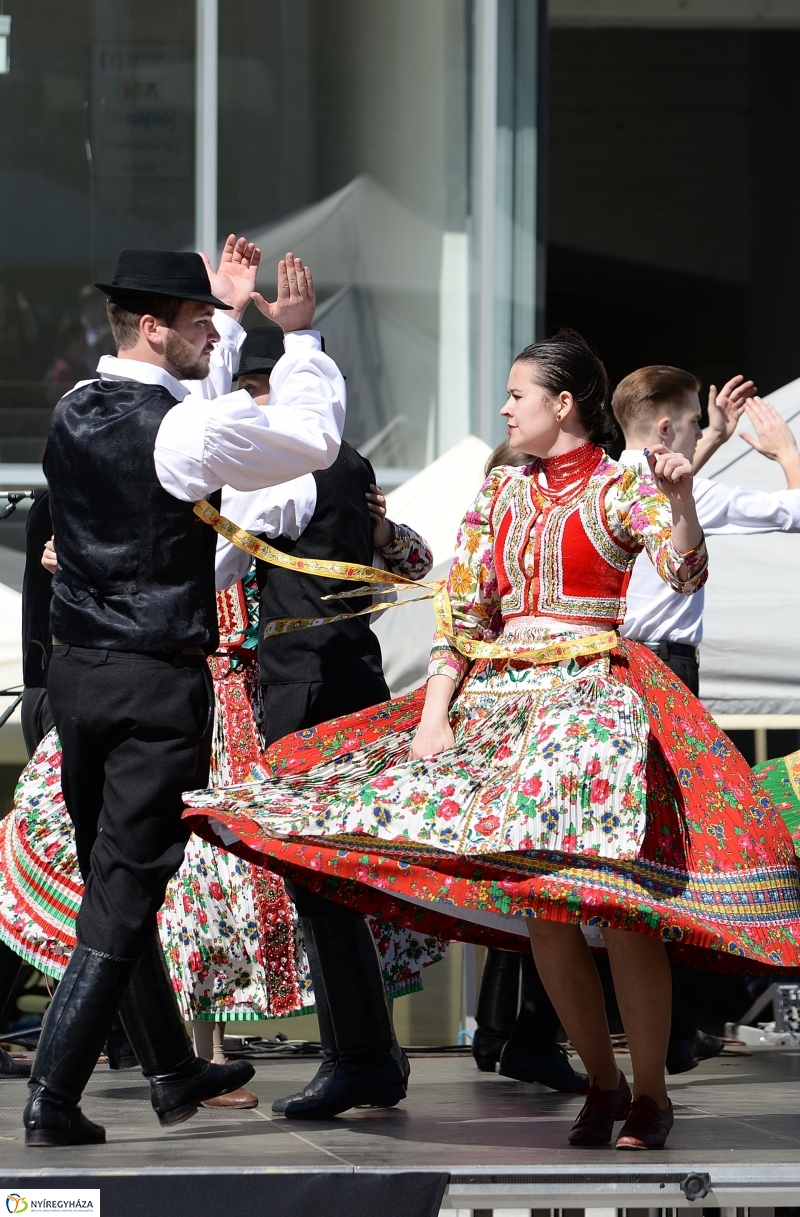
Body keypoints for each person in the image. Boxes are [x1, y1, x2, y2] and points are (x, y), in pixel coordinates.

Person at [184, 329, 800, 1153]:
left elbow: (685, 573)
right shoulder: (501, 494)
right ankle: (603, 1080)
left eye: (518, 394)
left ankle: (648, 1091)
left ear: (563, 404)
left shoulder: (622, 489)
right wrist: (436, 710)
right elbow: (463, 613)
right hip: (505, 705)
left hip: (593, 705)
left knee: (622, 909)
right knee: (541, 906)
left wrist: (683, 500)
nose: (505, 407)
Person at [24, 240, 346, 1148]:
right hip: (151, 682)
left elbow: (186, 425)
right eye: (199, 319)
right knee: (125, 893)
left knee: (108, 884)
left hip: (80, 673)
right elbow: (311, 441)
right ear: (155, 326)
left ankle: (171, 1069)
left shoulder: (73, 406)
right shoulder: (181, 430)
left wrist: (232, 321)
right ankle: (52, 1095)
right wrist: (302, 340)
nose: (212, 328)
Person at [216, 324, 440, 1118]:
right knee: (330, 877)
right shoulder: (348, 462)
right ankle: (366, 1054)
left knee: (322, 878)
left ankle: (364, 1058)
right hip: (342, 678)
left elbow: (220, 557)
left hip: (306, 689)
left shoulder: (284, 467)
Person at [615, 366, 800, 695]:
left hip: (612, 664)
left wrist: (715, 436)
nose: (699, 433)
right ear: (666, 428)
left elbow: (662, 485)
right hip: (666, 666)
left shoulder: (604, 484)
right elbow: (793, 511)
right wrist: (787, 453)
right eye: (694, 423)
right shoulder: (698, 496)